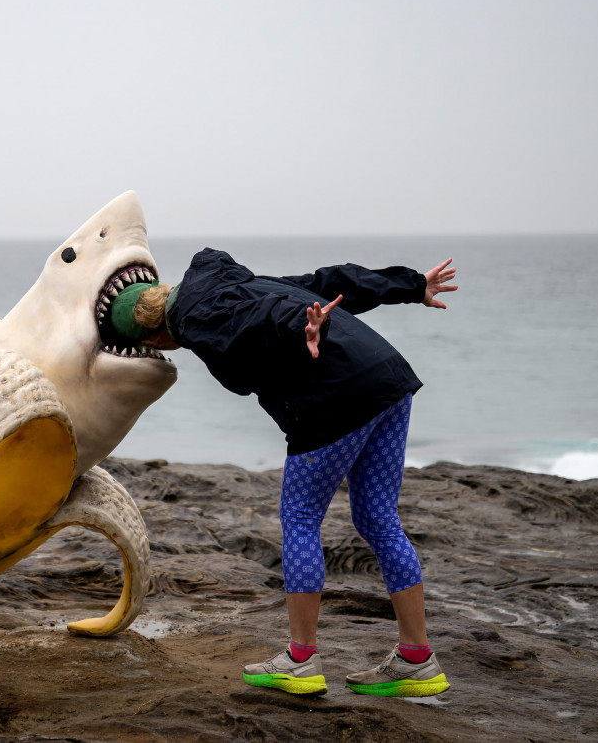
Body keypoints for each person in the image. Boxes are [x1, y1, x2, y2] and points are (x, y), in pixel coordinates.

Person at [108, 248, 458, 697]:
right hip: (387, 378)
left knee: (299, 517)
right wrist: (410, 285)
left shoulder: (198, 321)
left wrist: (302, 330)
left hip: (336, 397)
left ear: (154, 337)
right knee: (378, 519)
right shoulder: (234, 281)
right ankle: (416, 660)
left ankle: (299, 661)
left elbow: (267, 319)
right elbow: (327, 282)